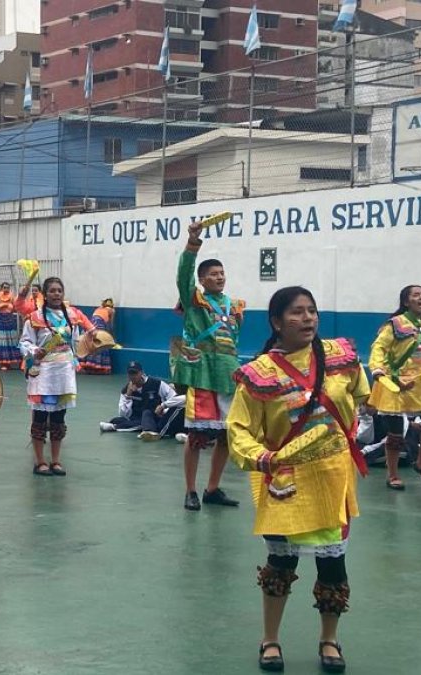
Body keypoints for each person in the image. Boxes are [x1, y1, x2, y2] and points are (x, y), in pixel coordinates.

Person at [226, 286, 369, 674]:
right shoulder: (259, 374)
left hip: (333, 478)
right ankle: (270, 639)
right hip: (284, 480)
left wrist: (347, 432)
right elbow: (238, 429)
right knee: (279, 564)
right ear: (276, 321)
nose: (307, 319)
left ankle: (329, 639)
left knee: (333, 565)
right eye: (296, 313)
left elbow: (360, 394)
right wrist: (264, 458)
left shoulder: (341, 358)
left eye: (312, 311)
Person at [171, 222, 243, 511]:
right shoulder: (194, 299)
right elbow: (183, 275)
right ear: (201, 279)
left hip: (227, 374)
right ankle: (190, 490)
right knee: (197, 435)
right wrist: (192, 244)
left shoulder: (235, 305)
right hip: (201, 373)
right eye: (213, 274)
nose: (219, 277)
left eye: (222, 273)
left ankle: (212, 488)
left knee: (227, 434)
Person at [367, 285, 421, 489]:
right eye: (416, 295)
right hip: (397, 383)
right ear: (406, 302)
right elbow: (379, 347)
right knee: (395, 433)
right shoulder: (394, 325)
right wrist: (377, 370)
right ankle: (392, 475)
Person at [20, 277, 95, 476]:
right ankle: (40, 461)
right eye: (52, 291)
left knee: (59, 418)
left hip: (64, 372)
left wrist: (89, 345)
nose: (56, 294)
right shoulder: (35, 317)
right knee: (40, 417)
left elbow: (77, 342)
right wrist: (35, 351)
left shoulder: (71, 316)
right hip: (43, 372)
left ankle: (55, 460)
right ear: (45, 294)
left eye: (59, 290)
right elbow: (25, 342)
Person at [99, 361, 184, 440]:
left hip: (155, 416)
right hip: (136, 419)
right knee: (117, 419)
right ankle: (124, 425)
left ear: (141, 373)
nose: (133, 376)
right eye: (130, 373)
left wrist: (164, 409)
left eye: (135, 373)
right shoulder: (126, 390)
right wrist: (128, 396)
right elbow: (123, 414)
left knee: (146, 413)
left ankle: (116, 427)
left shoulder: (156, 384)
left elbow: (173, 397)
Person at [79, 299, 115, 375]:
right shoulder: (112, 310)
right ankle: (100, 367)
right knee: (102, 343)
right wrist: (111, 337)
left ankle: (89, 365)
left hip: (92, 323)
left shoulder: (99, 308)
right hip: (100, 323)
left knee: (93, 342)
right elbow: (110, 324)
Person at [0, 282, 19, 370]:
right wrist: (0, 307)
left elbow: (15, 309)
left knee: (10, 340)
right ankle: (2, 363)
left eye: (8, 288)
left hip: (9, 320)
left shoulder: (12, 297)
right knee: (1, 340)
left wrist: (10, 307)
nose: (6, 289)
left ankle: (9, 362)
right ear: (1, 288)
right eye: (4, 287)